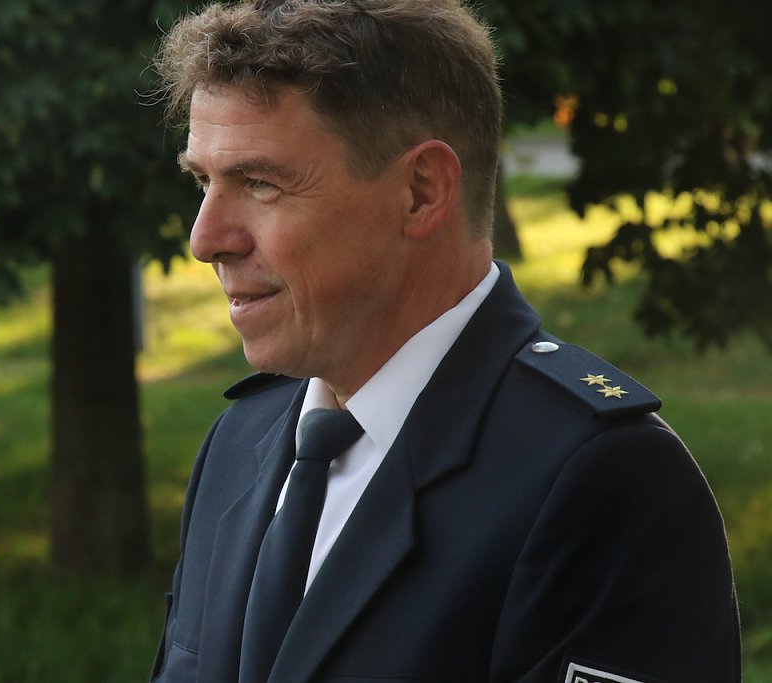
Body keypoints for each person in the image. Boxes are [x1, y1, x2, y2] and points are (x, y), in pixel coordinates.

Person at [150, 1, 741, 681]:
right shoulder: (241, 442)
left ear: (421, 192)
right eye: (203, 181)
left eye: (260, 183)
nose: (206, 239)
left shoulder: (601, 482)